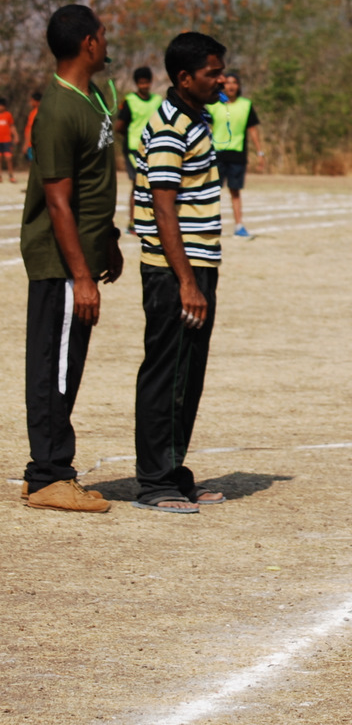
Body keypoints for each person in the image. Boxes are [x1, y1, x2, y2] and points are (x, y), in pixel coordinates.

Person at [18, 5, 121, 513]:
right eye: (103, 34)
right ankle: (49, 476)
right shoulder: (58, 109)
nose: (107, 41)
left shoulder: (94, 97)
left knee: (66, 366)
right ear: (87, 43)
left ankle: (45, 472)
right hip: (60, 264)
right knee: (53, 369)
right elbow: (58, 202)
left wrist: (109, 241)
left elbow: (94, 184)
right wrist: (81, 276)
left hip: (82, 258)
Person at [130, 32, 228, 514]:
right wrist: (186, 281)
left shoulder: (197, 120)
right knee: (166, 371)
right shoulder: (170, 127)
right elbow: (163, 209)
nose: (221, 79)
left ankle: (173, 472)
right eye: (212, 72)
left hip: (198, 266)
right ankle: (154, 483)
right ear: (185, 78)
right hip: (173, 273)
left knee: (188, 374)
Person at [206, 71, 263, 238]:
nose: (231, 86)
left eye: (234, 83)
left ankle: (239, 226)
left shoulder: (246, 105)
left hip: (237, 153)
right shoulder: (213, 105)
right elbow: (205, 127)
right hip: (216, 153)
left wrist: (260, 152)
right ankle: (209, 224)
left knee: (235, 191)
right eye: (228, 83)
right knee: (213, 191)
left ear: (239, 86)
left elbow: (253, 129)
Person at [113, 66, 162, 232]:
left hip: (154, 148)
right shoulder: (130, 101)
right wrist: (132, 138)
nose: (144, 86)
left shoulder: (157, 101)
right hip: (134, 149)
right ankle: (133, 222)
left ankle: (153, 219)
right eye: (141, 83)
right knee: (138, 183)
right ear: (136, 83)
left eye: (146, 82)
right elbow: (119, 126)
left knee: (154, 184)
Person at [22, 91, 42, 162]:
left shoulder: (34, 113)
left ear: (35, 101)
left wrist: (26, 144)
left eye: (31, 101)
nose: (30, 103)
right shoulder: (42, 111)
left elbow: (31, 129)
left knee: (33, 163)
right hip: (38, 143)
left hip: (32, 144)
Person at [0, 96, 15, 183]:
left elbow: (12, 126)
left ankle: (11, 175)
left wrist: (15, 135)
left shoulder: (8, 115)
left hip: (6, 140)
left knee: (8, 158)